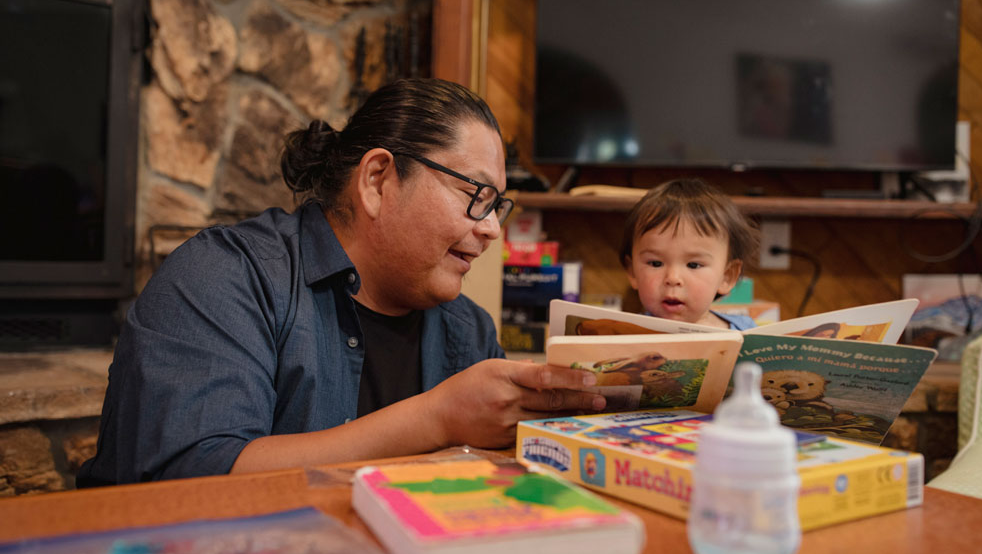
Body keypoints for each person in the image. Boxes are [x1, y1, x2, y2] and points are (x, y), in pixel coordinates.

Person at [78, 78, 605, 487]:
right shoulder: (224, 277)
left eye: (498, 207)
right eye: (477, 195)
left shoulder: (468, 329)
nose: (492, 228)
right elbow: (193, 477)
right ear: (378, 180)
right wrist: (438, 418)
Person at [619, 178, 759, 330]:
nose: (673, 278)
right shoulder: (626, 335)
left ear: (727, 276)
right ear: (633, 271)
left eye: (693, 265)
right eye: (655, 263)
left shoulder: (746, 332)